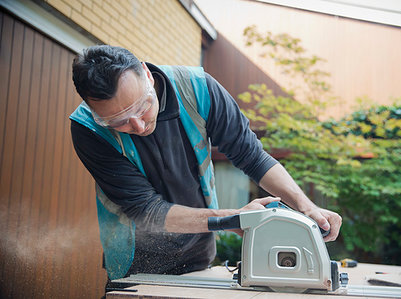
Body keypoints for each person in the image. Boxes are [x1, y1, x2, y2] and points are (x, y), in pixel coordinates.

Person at [70, 45, 342, 287]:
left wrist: (307, 207)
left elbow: (252, 156)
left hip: (199, 253)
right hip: (135, 264)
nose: (139, 126)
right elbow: (146, 210)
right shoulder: (88, 129)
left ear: (147, 74)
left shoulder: (197, 88)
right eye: (119, 121)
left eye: (143, 106)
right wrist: (230, 218)